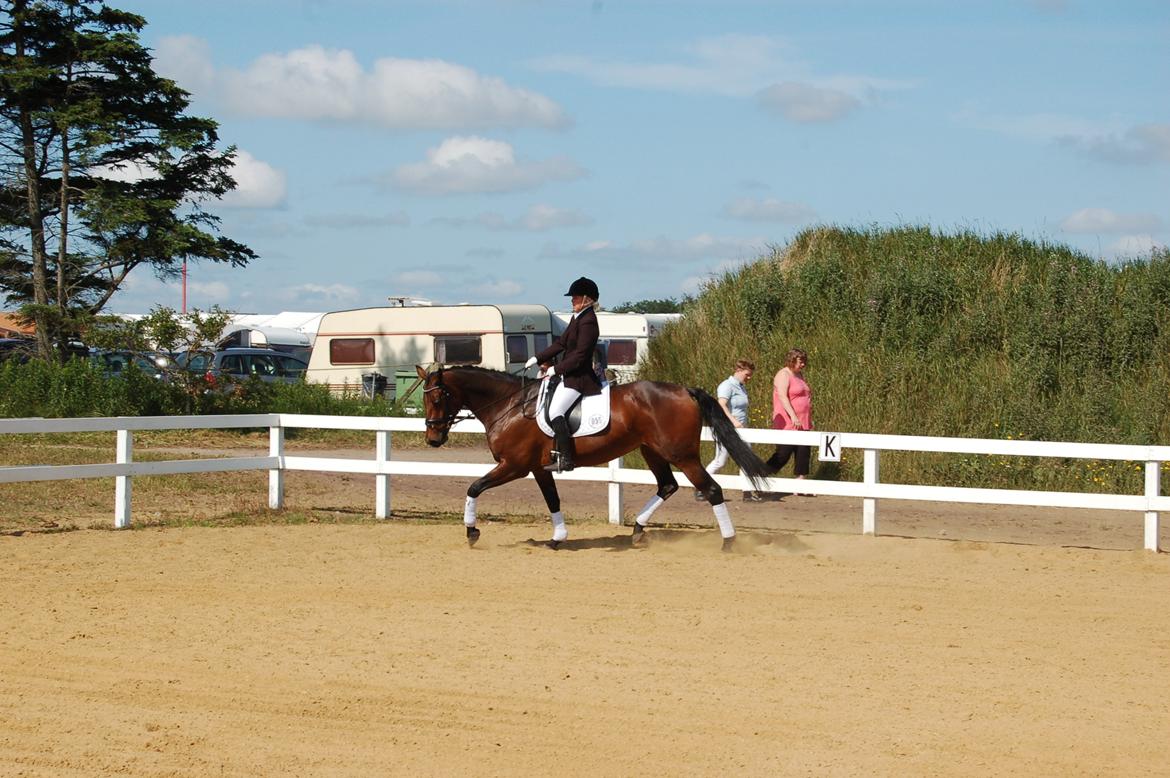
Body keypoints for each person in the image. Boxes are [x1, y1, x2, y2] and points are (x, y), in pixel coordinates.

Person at [525, 276, 602, 473]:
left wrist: (554, 369)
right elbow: (561, 344)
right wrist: (537, 358)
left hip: (580, 379)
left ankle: (566, 459)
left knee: (555, 412)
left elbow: (579, 356)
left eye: (575, 297)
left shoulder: (589, 322)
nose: (572, 300)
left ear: (587, 299)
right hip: (569, 377)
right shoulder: (577, 318)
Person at [695, 359, 762, 502]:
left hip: (742, 429)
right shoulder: (727, 386)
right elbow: (721, 405)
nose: (749, 378)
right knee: (720, 461)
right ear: (738, 371)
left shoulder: (741, 386)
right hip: (728, 428)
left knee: (746, 458)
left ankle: (747, 492)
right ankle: (701, 487)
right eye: (747, 374)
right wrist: (734, 421)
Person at [766, 347, 812, 491]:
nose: (803, 364)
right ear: (792, 360)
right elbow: (782, 396)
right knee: (783, 453)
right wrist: (793, 416)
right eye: (800, 361)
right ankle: (761, 476)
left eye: (804, 361)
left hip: (804, 421)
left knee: (803, 452)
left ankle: (800, 484)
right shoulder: (783, 374)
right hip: (788, 421)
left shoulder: (799, 375)